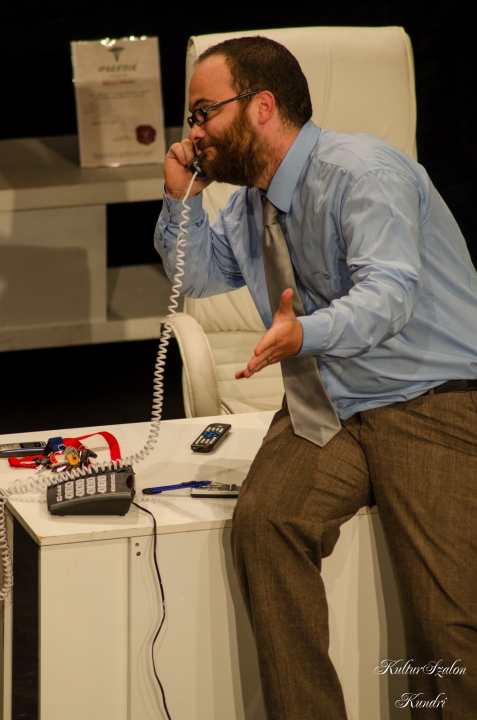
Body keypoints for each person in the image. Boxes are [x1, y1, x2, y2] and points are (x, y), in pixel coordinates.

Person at [155, 36, 477, 720]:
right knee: (265, 524)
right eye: (192, 118)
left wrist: (307, 333)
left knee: (446, 616)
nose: (195, 132)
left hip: (430, 396)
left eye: (205, 112)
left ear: (261, 107)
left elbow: (389, 295)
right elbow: (200, 276)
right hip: (327, 401)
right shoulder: (249, 205)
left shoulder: (363, 174)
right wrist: (181, 200)